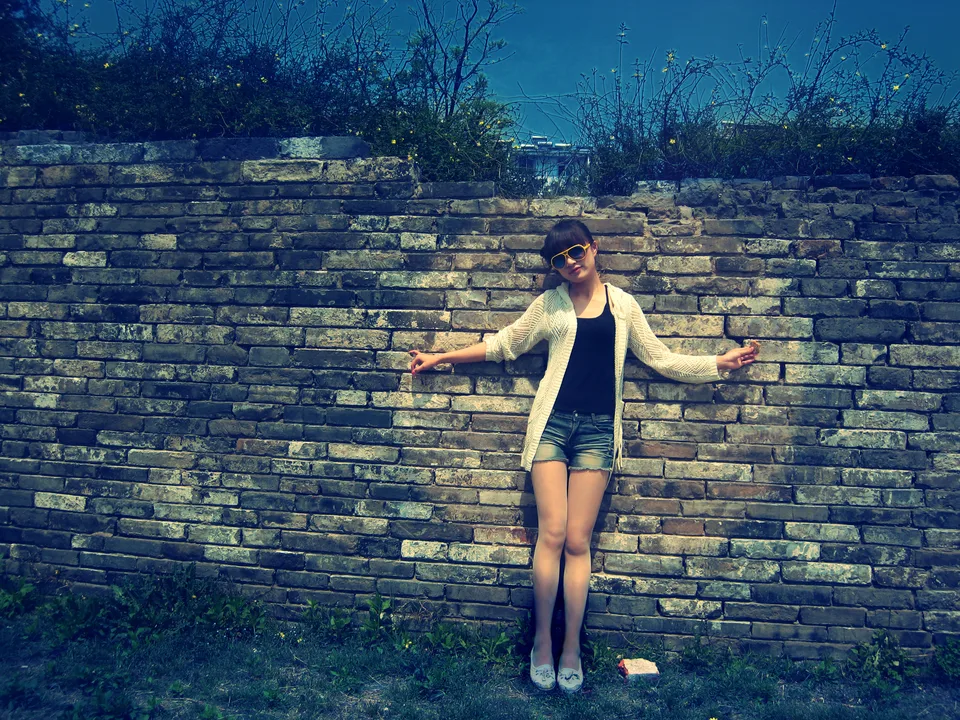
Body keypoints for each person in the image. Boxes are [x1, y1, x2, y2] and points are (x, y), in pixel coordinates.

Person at [408, 219, 758, 693]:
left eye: (576, 251)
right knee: (551, 534)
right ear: (554, 268)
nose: (570, 262)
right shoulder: (549, 304)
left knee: (577, 541)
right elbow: (504, 345)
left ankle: (571, 646)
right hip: (551, 428)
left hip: (597, 433)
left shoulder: (623, 305)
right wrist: (440, 357)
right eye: (559, 259)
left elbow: (660, 358)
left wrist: (718, 363)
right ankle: (542, 643)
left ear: (594, 248)